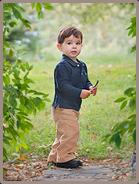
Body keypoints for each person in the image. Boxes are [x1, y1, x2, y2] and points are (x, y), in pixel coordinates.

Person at [47, 26, 97, 169]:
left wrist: (89, 87)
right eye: (69, 43)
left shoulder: (82, 65)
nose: (74, 46)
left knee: (63, 133)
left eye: (77, 43)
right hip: (63, 106)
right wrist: (79, 93)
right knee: (71, 132)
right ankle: (64, 159)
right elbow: (63, 86)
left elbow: (85, 80)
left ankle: (54, 157)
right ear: (59, 46)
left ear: (81, 45)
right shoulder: (61, 66)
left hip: (73, 106)